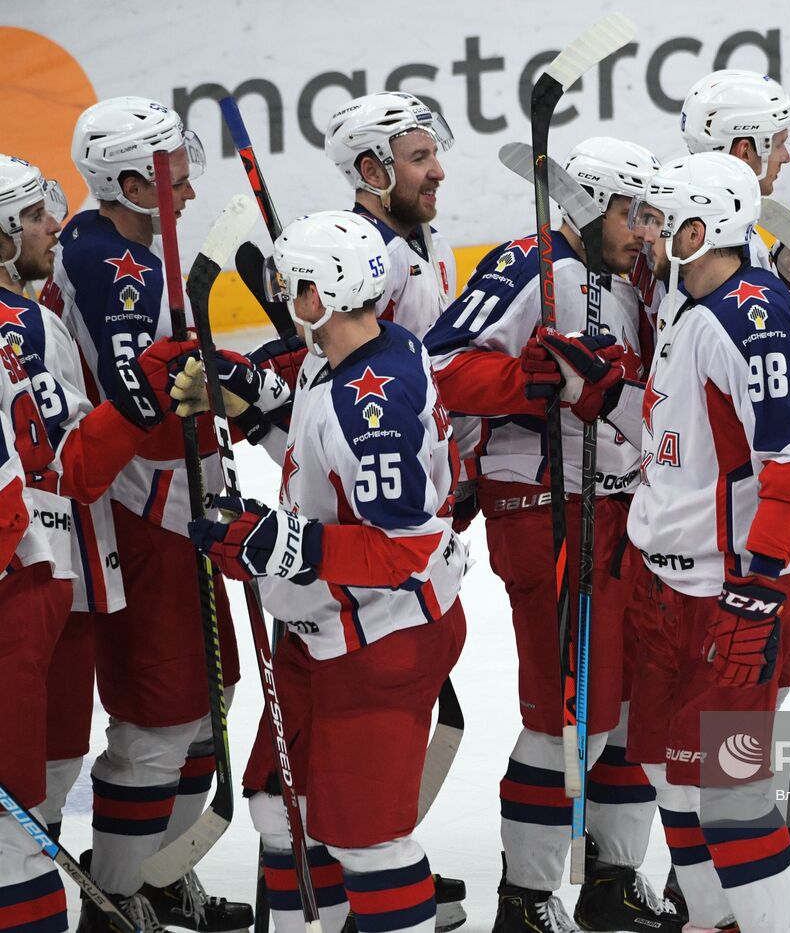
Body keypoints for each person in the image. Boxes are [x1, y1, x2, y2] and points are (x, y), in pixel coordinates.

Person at [423, 137, 681, 933]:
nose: (644, 229)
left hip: (623, 511)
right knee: (570, 716)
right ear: (589, 204)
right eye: (632, 213)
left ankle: (611, 877)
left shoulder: (631, 281)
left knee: (633, 707)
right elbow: (441, 363)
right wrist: (527, 377)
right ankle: (528, 896)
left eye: (650, 214)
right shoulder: (524, 264)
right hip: (545, 510)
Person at [190, 210, 468, 933]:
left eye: (293, 284)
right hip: (323, 629)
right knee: (279, 809)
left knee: (367, 841)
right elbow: (311, 429)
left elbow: (399, 548)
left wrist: (283, 545)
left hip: (383, 636)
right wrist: (247, 389)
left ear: (320, 295)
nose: (284, 295)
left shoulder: (370, 406)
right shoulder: (350, 350)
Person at [589, 151, 790, 933]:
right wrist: (598, 395)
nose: (646, 233)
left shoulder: (747, 321)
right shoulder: (686, 305)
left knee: (732, 791)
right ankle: (715, 919)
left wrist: (759, 589)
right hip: (668, 586)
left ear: (699, 229)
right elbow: (681, 438)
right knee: (673, 775)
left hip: (734, 589)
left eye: (658, 220)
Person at [54, 96, 252, 933]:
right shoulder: (108, 263)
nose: (187, 186)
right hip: (146, 511)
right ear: (131, 180)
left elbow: (185, 377)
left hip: (187, 502)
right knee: (161, 711)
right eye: (172, 171)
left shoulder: (136, 248)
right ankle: (115, 895)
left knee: (211, 695)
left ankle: (163, 874)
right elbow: (147, 403)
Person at [0, 155, 124, 859]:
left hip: (34, 563)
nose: (54, 226)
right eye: (33, 217)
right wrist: (139, 404)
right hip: (39, 568)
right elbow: (71, 460)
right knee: (42, 774)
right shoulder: (28, 325)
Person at [323, 91, 457, 340]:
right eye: (419, 159)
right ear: (372, 172)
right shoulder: (358, 263)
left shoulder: (433, 243)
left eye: (434, 154)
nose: (439, 173)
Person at [680, 68, 790, 271]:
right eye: (779, 144)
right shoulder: (731, 250)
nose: (786, 157)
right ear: (744, 152)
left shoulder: (683, 221)